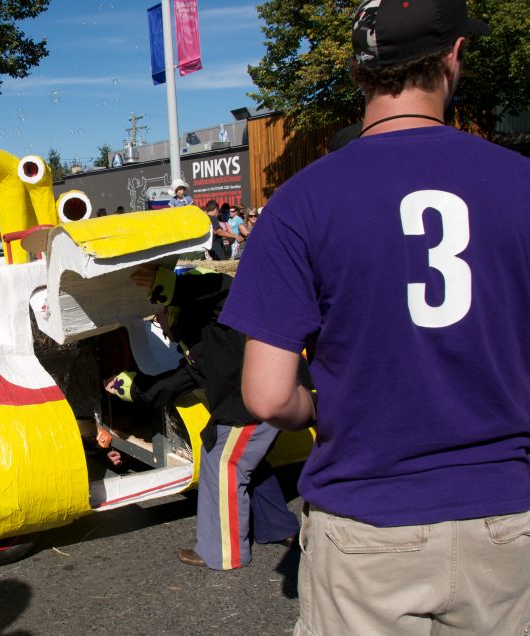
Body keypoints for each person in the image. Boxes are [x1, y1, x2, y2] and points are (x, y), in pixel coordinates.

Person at [220, 1, 530, 632]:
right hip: (509, 514)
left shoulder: (300, 203)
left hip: (368, 518)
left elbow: (267, 393)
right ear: (453, 58)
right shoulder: (519, 181)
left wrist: (317, 408)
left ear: (360, 74)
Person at [105, 264, 300, 570]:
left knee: (222, 462)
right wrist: (127, 387)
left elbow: (220, 287)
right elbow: (169, 384)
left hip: (255, 404)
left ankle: (221, 552)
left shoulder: (219, 317)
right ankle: (279, 526)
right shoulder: (198, 347)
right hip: (254, 403)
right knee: (250, 463)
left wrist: (168, 286)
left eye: (161, 311)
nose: (157, 318)